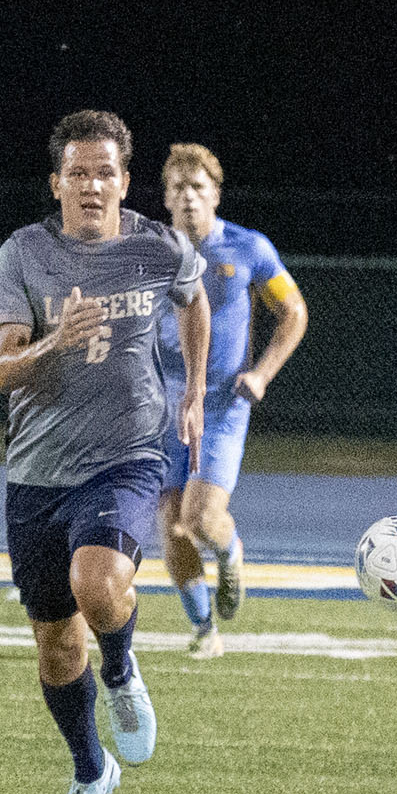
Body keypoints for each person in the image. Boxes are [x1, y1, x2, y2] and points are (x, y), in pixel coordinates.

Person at [0, 110, 209, 794]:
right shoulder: (23, 254)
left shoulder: (158, 247)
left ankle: (120, 671)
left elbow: (195, 298)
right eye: (76, 173)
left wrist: (196, 390)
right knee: (54, 643)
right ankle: (90, 771)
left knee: (97, 582)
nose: (90, 185)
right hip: (37, 469)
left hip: (128, 453)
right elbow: (1, 369)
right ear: (55, 184)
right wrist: (58, 341)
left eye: (104, 172)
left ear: (123, 180)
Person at [155, 143, 309, 658]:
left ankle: (231, 550)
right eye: (178, 188)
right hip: (163, 405)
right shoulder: (152, 253)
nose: (189, 197)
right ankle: (205, 630)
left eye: (198, 187)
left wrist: (262, 374)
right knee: (168, 522)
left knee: (199, 518)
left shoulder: (249, 249)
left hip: (221, 404)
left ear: (215, 195)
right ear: (166, 199)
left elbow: (294, 312)